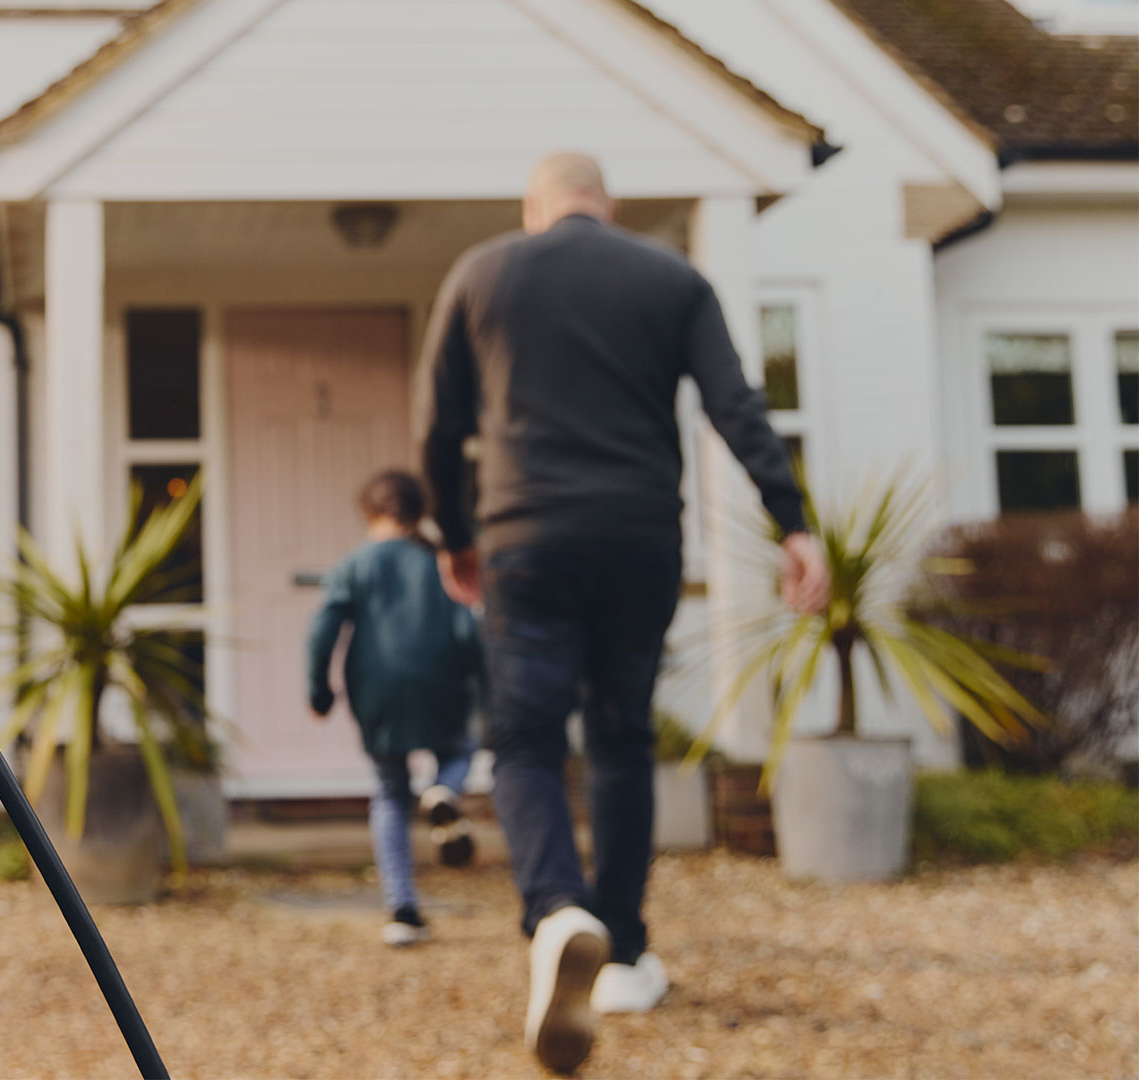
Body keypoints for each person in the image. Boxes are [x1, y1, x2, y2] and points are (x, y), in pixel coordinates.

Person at [419, 152, 829, 1073]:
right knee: (619, 740)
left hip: (525, 539)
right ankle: (625, 951)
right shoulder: (672, 278)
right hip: (641, 539)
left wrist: (454, 534)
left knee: (525, 739)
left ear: (534, 209)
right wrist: (793, 524)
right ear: (607, 206)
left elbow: (438, 424)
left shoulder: (482, 273)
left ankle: (558, 909)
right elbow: (738, 405)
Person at [307, 469, 485, 947]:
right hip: (442, 682)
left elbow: (323, 630)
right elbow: (469, 628)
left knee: (389, 791)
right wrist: (483, 684)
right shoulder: (440, 562)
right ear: (419, 512)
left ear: (369, 513)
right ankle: (444, 790)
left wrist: (319, 691)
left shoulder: (354, 565)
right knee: (461, 748)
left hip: (377, 690)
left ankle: (402, 910)